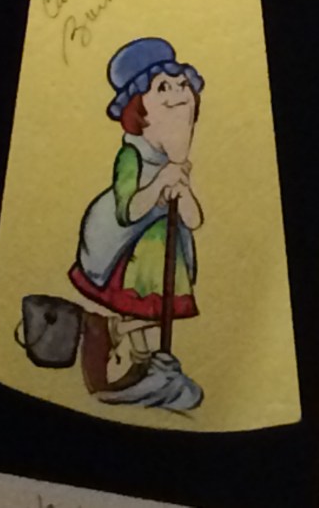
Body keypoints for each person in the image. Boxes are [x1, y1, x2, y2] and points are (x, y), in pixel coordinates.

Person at [68, 37, 205, 393]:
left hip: (163, 248)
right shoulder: (131, 156)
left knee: (153, 309)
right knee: (148, 308)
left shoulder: (173, 160)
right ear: (138, 109)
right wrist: (160, 183)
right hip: (125, 243)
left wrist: (182, 190)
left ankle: (130, 350)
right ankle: (123, 342)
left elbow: (194, 220)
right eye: (163, 87)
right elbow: (127, 210)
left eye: (181, 84)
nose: (178, 93)